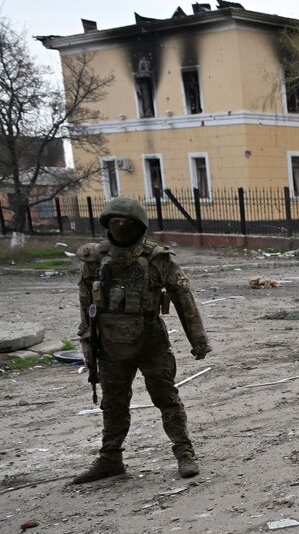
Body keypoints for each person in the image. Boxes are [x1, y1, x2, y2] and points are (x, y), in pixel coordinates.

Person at [71, 197, 211, 484]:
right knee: (113, 402)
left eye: (125, 222)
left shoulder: (157, 259)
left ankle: (184, 452)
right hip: (108, 343)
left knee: (166, 397)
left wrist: (198, 341)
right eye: (114, 222)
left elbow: (183, 297)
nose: (119, 227)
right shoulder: (94, 260)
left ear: (139, 226)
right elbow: (86, 302)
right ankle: (111, 458)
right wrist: (86, 339)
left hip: (151, 341)